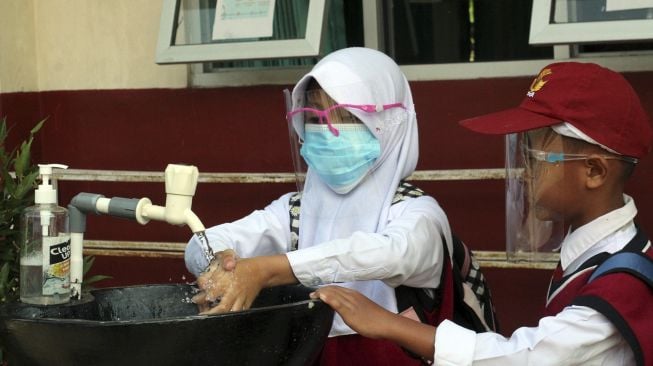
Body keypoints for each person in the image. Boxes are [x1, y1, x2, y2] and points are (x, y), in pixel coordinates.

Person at [311, 61, 653, 365]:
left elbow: (527, 357)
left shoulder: (623, 284)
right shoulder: (594, 252)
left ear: (593, 171)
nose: (525, 173)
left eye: (535, 157)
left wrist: (389, 325)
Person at [185, 47, 455, 365]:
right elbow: (200, 244)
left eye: (349, 117)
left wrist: (265, 270)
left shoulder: (419, 213)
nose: (328, 131)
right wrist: (222, 262)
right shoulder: (295, 211)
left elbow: (385, 254)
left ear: (390, 122)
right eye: (314, 117)